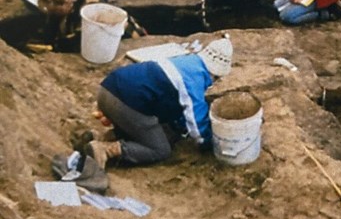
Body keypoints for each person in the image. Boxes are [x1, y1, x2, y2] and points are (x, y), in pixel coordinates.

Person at [86, 37, 233, 169]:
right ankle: (107, 149)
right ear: (215, 73)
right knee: (160, 150)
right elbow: (196, 119)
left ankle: (103, 137)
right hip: (124, 102)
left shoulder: (184, 61)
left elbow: (175, 105)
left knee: (161, 130)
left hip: (107, 89)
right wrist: (207, 142)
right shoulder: (194, 78)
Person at [34, 0, 144, 53]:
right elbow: (52, 22)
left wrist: (54, 47)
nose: (52, 14)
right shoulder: (65, 3)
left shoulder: (92, 7)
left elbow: (82, 40)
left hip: (123, 40)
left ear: (67, 3)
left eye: (55, 11)